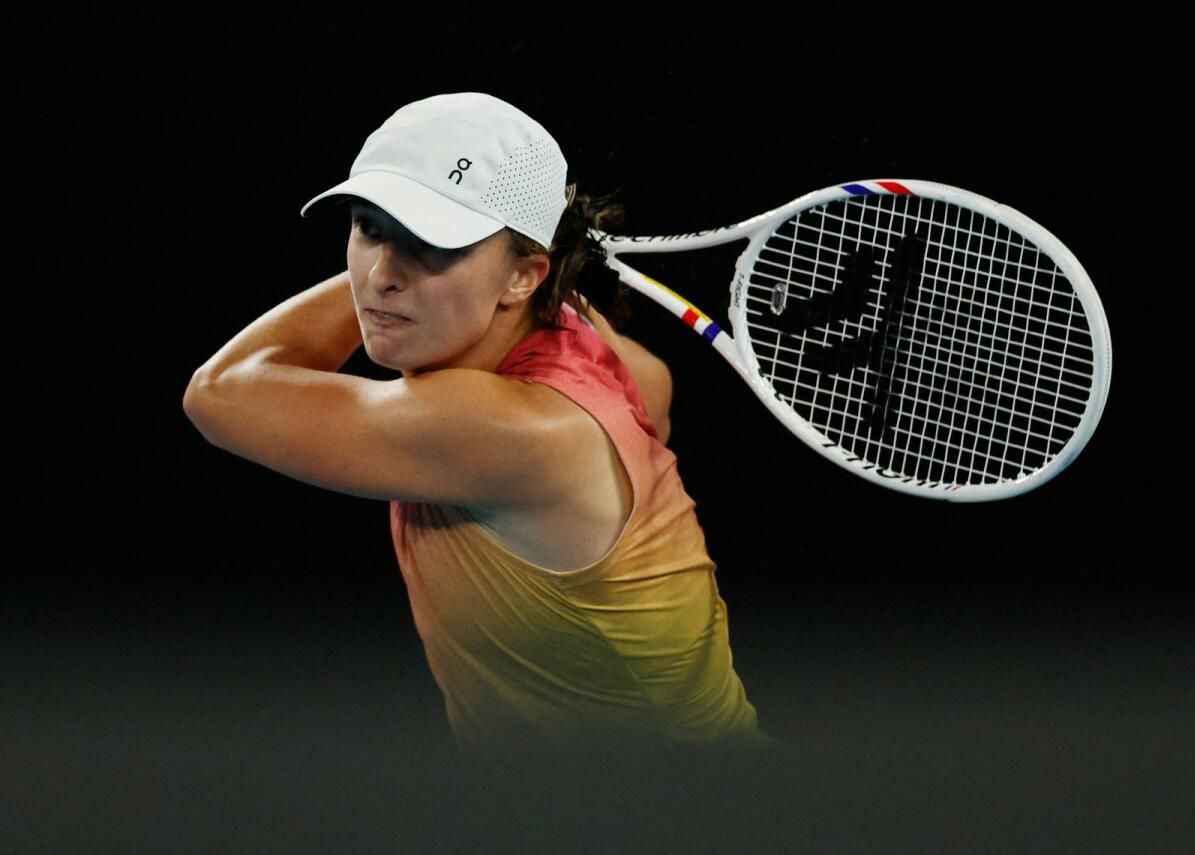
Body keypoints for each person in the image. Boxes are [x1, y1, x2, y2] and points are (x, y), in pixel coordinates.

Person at [183, 92, 787, 757]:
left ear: (526, 276)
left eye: (429, 245)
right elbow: (655, 387)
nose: (381, 275)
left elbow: (218, 393)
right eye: (369, 226)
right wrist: (488, 266)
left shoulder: (501, 430)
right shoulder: (585, 337)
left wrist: (411, 276)